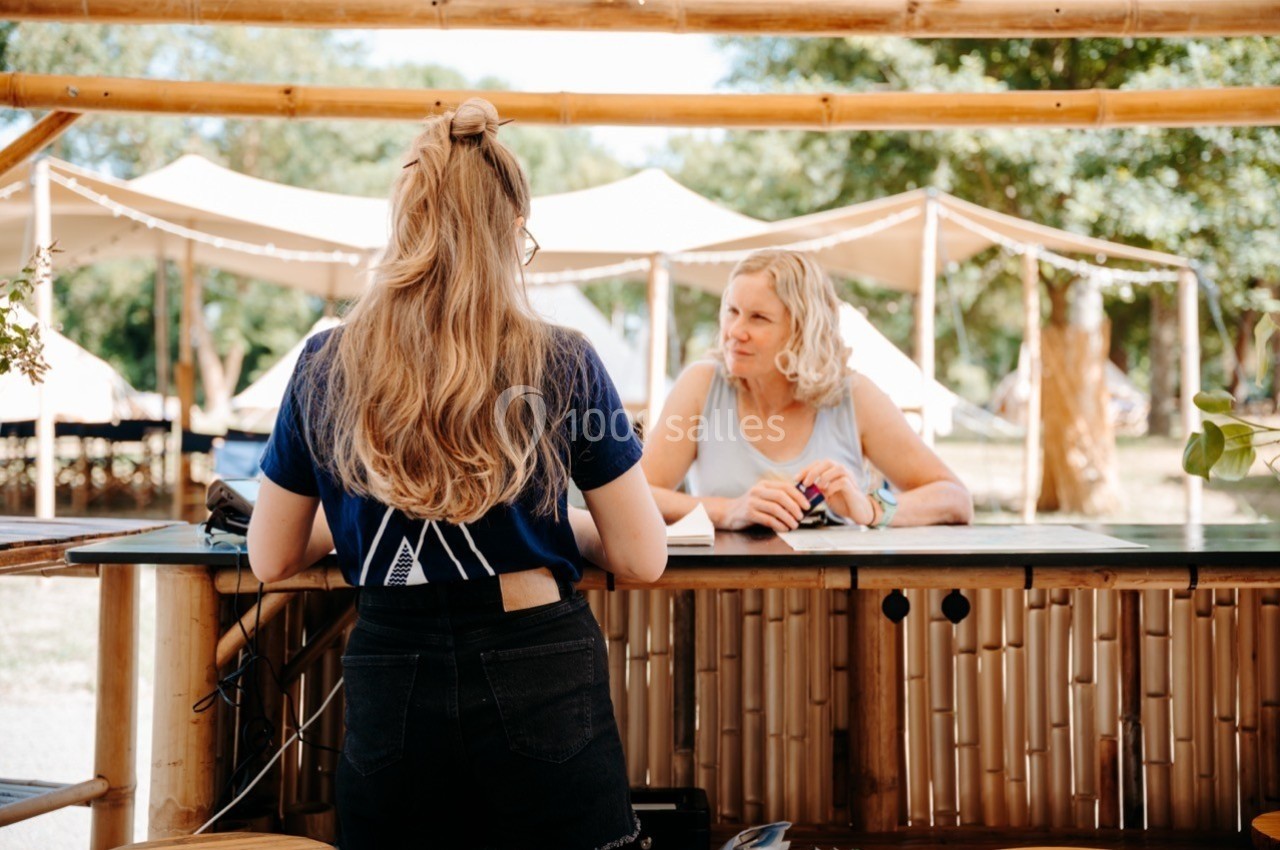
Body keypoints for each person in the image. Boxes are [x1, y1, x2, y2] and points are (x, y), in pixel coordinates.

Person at [247, 98, 666, 850]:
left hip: (391, 660)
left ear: (404, 226)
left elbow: (271, 556)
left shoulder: (325, 363)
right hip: (536, 654)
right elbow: (641, 557)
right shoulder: (564, 359)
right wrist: (552, 528)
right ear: (512, 234)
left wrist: (361, 521)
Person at [642, 248, 972, 531]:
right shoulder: (702, 384)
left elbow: (954, 498)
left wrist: (869, 508)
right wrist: (727, 511)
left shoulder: (853, 395)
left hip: (833, 598)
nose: (735, 331)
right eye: (732, 311)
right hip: (719, 598)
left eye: (758, 318)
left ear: (802, 331)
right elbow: (638, 497)